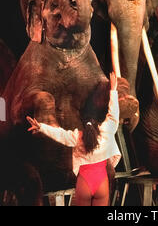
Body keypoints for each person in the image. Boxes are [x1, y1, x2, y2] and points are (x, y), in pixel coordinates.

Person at [27, 73, 121, 206]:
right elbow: (113, 114)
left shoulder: (77, 137)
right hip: (102, 182)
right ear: (98, 124)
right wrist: (113, 90)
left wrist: (41, 127)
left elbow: (60, 134)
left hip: (84, 182)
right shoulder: (107, 131)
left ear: (84, 125)